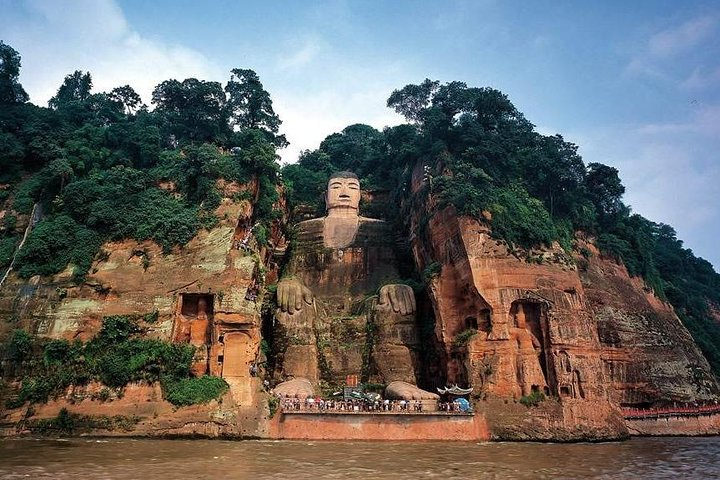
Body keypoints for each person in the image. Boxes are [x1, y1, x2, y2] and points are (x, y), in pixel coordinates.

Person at [272, 172, 436, 402]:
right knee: (294, 304)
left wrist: (394, 284)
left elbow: (389, 273)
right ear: (325, 196)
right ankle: (300, 376)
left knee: (395, 301)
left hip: (364, 304)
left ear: (361, 196)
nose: (344, 191)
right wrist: (289, 283)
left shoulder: (378, 229)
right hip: (317, 305)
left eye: (352, 187)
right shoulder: (305, 229)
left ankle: (398, 379)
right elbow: (292, 272)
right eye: (336, 186)